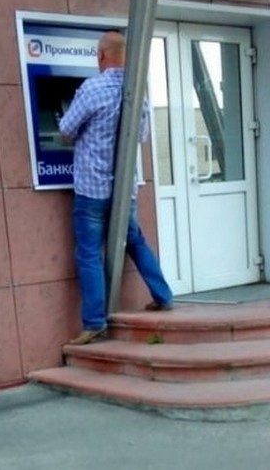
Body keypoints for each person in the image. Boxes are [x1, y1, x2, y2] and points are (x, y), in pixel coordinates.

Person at [59, 31, 173, 345]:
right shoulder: (137, 91)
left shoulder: (92, 89)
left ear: (101, 56)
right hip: (124, 190)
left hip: (92, 188)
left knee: (88, 254)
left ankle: (95, 322)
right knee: (134, 241)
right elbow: (142, 136)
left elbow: (65, 128)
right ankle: (163, 295)